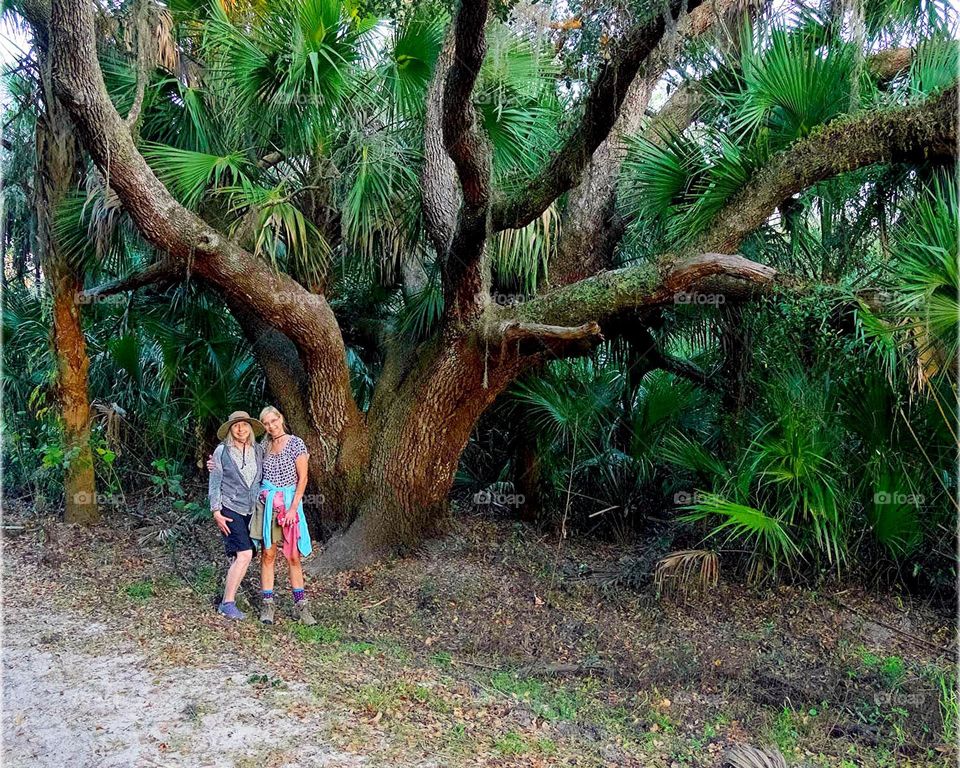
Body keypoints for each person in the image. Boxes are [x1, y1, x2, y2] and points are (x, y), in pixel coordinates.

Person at [251, 405, 315, 626]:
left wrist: (292, 509)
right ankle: (267, 603)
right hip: (269, 505)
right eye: (266, 424)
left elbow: (303, 479)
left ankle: (301, 606)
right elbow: (248, 467)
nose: (271, 426)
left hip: (289, 504)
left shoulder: (296, 443)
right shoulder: (263, 446)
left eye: (273, 421)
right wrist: (216, 465)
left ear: (280, 418)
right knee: (268, 555)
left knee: (293, 557)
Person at [208, 411, 265, 620]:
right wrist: (216, 511)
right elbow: (214, 483)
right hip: (229, 507)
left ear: (250, 428)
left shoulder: (258, 450)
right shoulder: (222, 451)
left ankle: (228, 598)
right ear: (230, 430)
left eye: (244, 425)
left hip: (252, 509)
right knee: (245, 554)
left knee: (240, 556)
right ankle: (227, 603)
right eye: (235, 425)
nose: (240, 429)